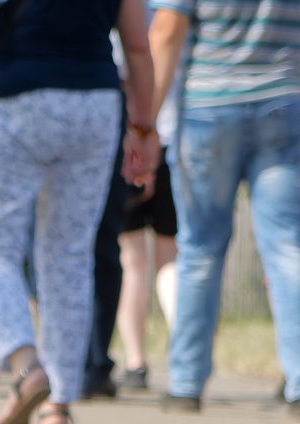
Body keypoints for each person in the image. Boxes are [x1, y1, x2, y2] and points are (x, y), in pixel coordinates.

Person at [0, 0, 158, 424]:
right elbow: (137, 45)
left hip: (14, 94)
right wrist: (143, 128)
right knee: (69, 254)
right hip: (93, 101)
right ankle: (58, 406)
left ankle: (27, 367)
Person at [149, 0, 300, 418]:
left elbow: (165, 31)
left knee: (199, 248)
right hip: (288, 99)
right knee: (288, 247)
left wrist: (144, 122)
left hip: (210, 104)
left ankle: (185, 385)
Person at [111, 39, 183, 393]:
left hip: (136, 141)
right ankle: (182, 346)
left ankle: (136, 362)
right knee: (169, 258)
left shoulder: (128, 20)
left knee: (132, 260)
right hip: (180, 143)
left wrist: (139, 133)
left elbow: (124, 83)